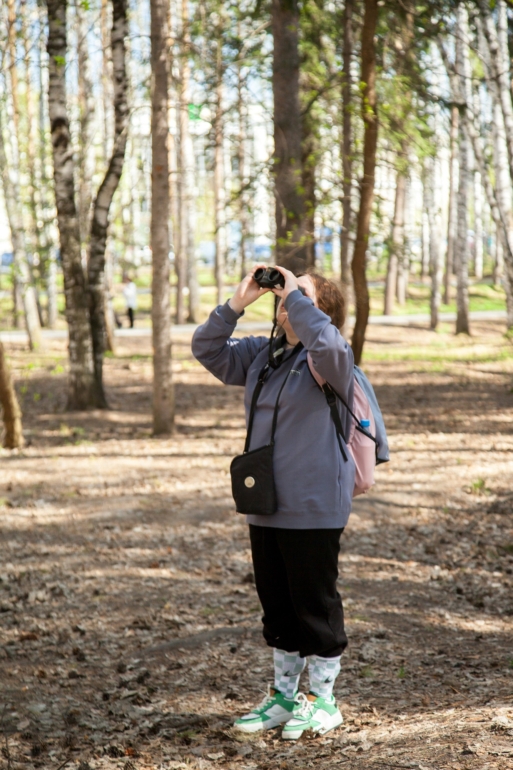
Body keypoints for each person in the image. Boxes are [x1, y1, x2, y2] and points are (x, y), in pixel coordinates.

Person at [191, 264, 355, 740]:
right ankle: (285, 697)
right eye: (286, 291)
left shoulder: (329, 359)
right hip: (265, 499)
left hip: (314, 501)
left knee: (314, 605)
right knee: (278, 606)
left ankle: (324, 702)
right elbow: (207, 349)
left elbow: (327, 343)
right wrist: (238, 302)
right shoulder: (264, 355)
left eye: (301, 294)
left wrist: (297, 299)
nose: (286, 297)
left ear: (319, 310)